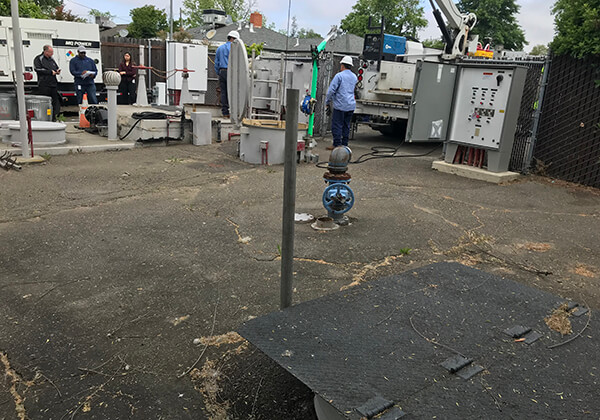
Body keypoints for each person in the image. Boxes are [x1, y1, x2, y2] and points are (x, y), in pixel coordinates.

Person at [325, 56, 358, 151]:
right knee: (346, 125)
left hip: (340, 105)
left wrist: (327, 102)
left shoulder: (339, 76)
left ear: (342, 65)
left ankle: (337, 145)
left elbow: (331, 90)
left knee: (337, 125)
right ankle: (345, 144)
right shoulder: (354, 77)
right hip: (351, 105)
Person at [214, 30, 239, 118]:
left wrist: (219, 72)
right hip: (231, 72)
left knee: (223, 92)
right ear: (233, 38)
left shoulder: (220, 48)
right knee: (232, 92)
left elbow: (216, 62)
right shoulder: (234, 48)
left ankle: (225, 112)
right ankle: (233, 112)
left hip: (222, 72)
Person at [33, 45, 61, 121]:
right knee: (45, 102)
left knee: (55, 102)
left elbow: (56, 67)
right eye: (51, 52)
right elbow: (37, 69)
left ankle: (55, 117)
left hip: (53, 84)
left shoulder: (51, 59)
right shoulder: (39, 58)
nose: (52, 54)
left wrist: (57, 71)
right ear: (45, 51)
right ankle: (45, 117)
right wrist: (49, 72)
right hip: (44, 84)